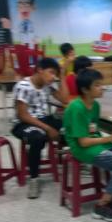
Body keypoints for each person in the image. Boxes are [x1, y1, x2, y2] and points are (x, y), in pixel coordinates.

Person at [63, 68, 112, 222]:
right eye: (97, 85)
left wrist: (111, 136)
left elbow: (93, 130)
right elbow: (83, 142)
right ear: (85, 89)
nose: (102, 88)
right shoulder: (76, 108)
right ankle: (101, 205)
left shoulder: (95, 105)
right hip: (82, 149)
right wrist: (110, 138)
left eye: (101, 84)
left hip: (95, 143)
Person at [12, 57, 69, 199]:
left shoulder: (46, 86)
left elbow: (64, 99)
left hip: (42, 119)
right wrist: (48, 129)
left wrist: (62, 76)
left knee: (70, 127)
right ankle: (34, 179)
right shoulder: (24, 86)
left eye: (55, 74)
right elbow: (22, 115)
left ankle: (75, 159)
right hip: (23, 123)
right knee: (37, 138)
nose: (53, 77)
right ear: (39, 70)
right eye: (51, 72)